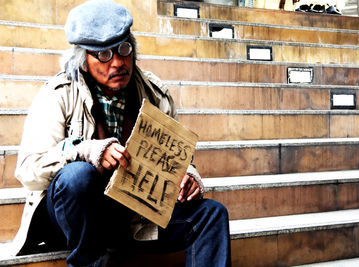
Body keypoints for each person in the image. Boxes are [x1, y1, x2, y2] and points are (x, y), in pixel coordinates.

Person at [11, 0, 231, 266]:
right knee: (78, 176)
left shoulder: (154, 93)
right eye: (103, 55)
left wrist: (188, 176)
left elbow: (176, 157)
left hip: (134, 215)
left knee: (212, 214)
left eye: (124, 49)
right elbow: (28, 170)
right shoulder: (57, 94)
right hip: (73, 219)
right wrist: (84, 151)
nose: (117, 62)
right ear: (83, 62)